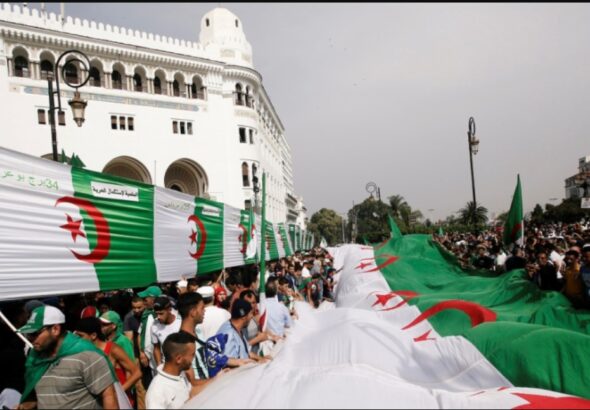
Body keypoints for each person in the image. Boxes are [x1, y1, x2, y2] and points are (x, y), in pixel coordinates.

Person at [16, 305, 118, 409]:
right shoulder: (35, 359)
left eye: (34, 333)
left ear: (55, 329)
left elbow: (109, 396)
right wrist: (27, 405)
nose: (30, 338)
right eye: (28, 334)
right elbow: (41, 395)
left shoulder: (86, 355)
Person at [74, 317, 141, 404]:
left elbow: (137, 373)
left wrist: (119, 393)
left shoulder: (112, 349)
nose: (78, 339)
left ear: (93, 335)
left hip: (120, 402)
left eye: (81, 336)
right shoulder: (84, 352)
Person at [145, 332, 200, 409]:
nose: (193, 358)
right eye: (192, 355)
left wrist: (218, 378)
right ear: (179, 359)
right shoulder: (156, 391)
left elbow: (191, 391)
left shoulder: (180, 374)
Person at [215, 299, 267, 367]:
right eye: (251, 313)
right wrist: (255, 364)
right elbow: (230, 363)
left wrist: (262, 359)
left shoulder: (238, 328)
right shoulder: (228, 334)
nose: (252, 316)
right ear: (244, 317)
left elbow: (246, 352)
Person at [151, 296, 181, 367]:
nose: (158, 317)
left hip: (183, 364)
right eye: (156, 313)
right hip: (167, 366)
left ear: (169, 310)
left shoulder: (180, 322)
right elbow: (156, 348)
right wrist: (159, 365)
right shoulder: (154, 325)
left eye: (161, 314)